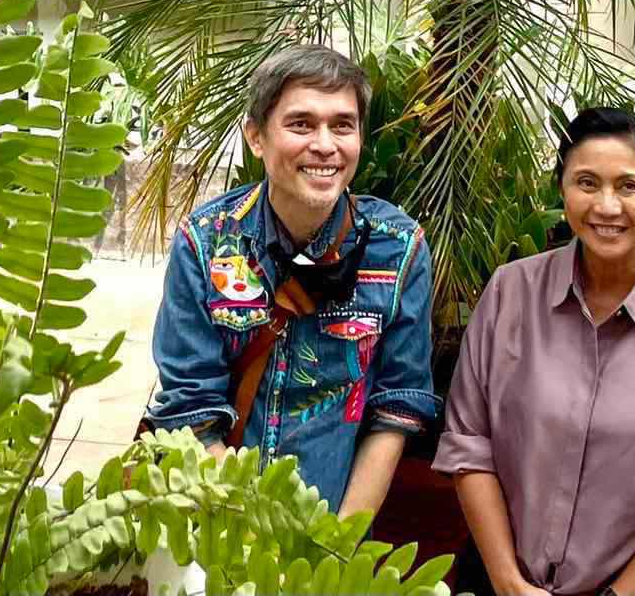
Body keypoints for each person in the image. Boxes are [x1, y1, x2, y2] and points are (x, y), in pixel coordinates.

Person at [434, 107, 635, 596]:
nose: (606, 205)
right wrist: (508, 582)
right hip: (496, 580)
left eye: (628, 186)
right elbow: (469, 442)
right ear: (562, 191)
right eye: (586, 183)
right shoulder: (509, 293)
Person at [144, 42, 440, 517]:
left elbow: (397, 409)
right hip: (216, 519)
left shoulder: (398, 249)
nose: (324, 145)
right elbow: (190, 409)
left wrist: (337, 541)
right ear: (256, 137)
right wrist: (255, 534)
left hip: (333, 530)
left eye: (342, 125)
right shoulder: (205, 242)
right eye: (301, 124)